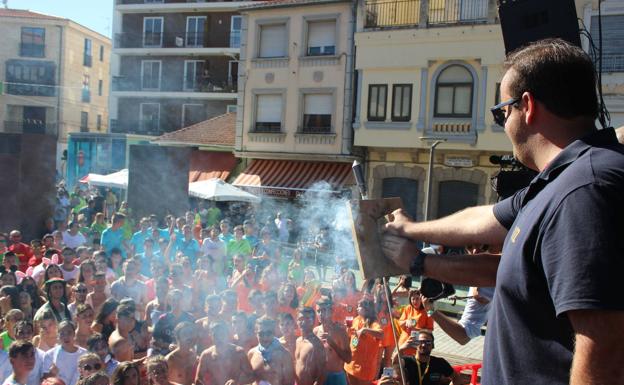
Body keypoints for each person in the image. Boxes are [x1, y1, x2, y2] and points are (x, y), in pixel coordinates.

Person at [381, 39, 624, 384]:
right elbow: (485, 220)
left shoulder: (584, 190)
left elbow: (606, 350)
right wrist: (413, 232)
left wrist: (417, 258)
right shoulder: (561, 181)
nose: (503, 125)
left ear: (527, 106)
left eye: (501, 113)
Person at [344, 298, 383, 385]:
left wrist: (365, 329)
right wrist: (347, 331)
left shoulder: (374, 323)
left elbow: (381, 334)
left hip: (364, 369)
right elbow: (353, 337)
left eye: (359, 307)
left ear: (367, 309)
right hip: (351, 364)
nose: (357, 308)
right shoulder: (356, 319)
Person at [313, 297, 350, 385]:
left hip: (336, 378)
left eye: (324, 310)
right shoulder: (315, 331)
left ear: (331, 311)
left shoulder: (340, 331)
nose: (321, 314)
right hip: (320, 377)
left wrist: (332, 344)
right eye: (319, 311)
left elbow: (348, 359)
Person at [247, 317, 295, 385]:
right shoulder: (252, 353)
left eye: (269, 333)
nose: (265, 337)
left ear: (274, 332)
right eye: (261, 334)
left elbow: (289, 383)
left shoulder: (284, 355)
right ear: (256, 332)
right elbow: (249, 380)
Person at [42, 321, 87, 385]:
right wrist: (51, 374)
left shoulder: (85, 354)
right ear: (58, 335)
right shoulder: (49, 355)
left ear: (74, 334)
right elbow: (45, 380)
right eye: (62, 333)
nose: (66, 336)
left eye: (69, 333)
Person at [294, 307, 326, 385]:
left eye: (307, 318)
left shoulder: (317, 345)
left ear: (313, 321)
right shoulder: (297, 341)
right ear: (297, 321)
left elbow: (322, 376)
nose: (303, 322)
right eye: (301, 319)